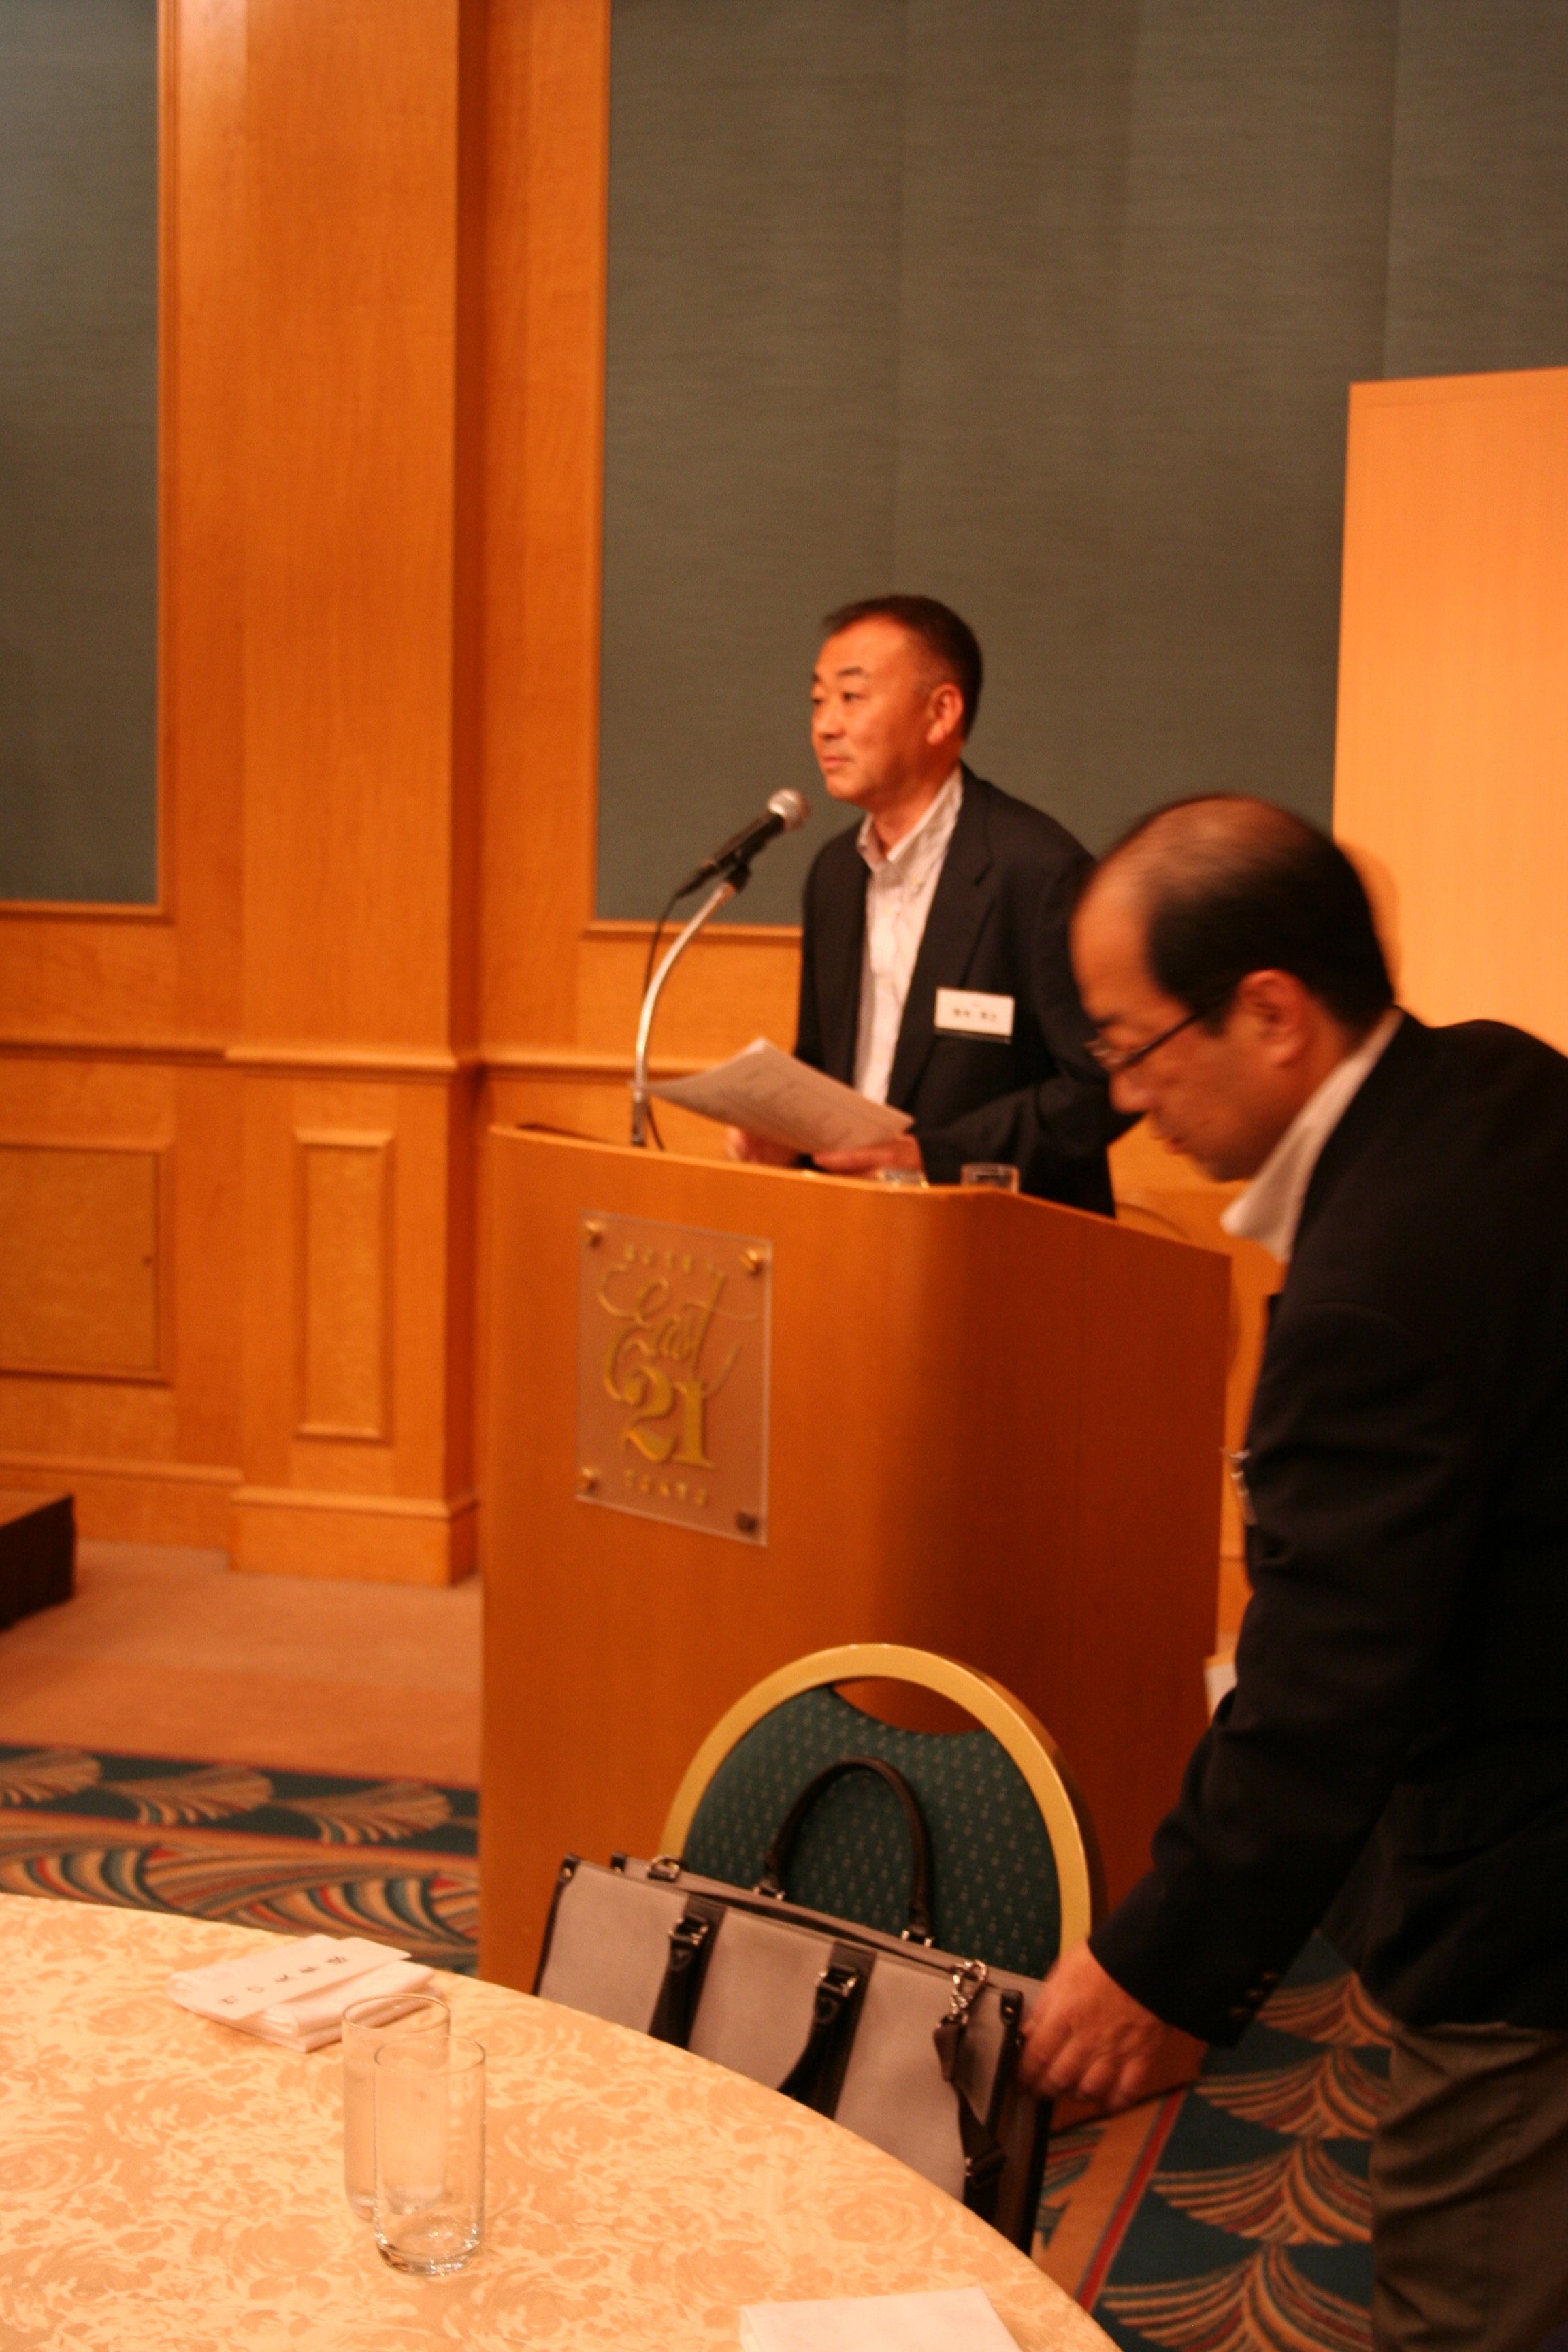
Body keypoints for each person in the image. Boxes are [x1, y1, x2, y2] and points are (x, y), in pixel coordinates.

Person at [1020, 794, 1568, 2350]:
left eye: (1134, 1046)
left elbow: (1326, 1693)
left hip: (1529, 1893)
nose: (1125, 1098)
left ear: (1270, 1011)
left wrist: (1154, 1963)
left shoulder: (1370, 1293)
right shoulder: (1500, 1079)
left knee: (1465, 2308)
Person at [728, 595, 1123, 1208]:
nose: (825, 725)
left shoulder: (1038, 871)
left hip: (998, 1234)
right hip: (856, 1225)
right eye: (818, 700)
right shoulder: (835, 873)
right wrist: (790, 1137)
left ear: (941, 713)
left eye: (851, 697)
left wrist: (934, 1158)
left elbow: (1103, 1084)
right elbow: (825, 1063)